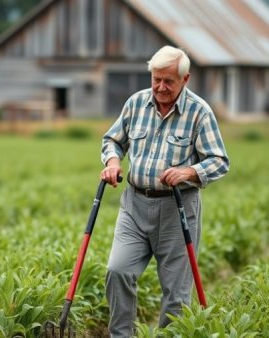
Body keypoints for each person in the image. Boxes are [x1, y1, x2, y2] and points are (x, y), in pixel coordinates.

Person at [100, 45, 230, 337]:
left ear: (185, 80)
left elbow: (220, 161)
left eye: (168, 81)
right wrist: (111, 162)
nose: (160, 87)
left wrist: (189, 171)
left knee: (176, 293)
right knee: (118, 271)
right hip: (134, 206)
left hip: (178, 209)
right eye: (156, 79)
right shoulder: (136, 104)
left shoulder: (199, 112)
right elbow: (113, 140)